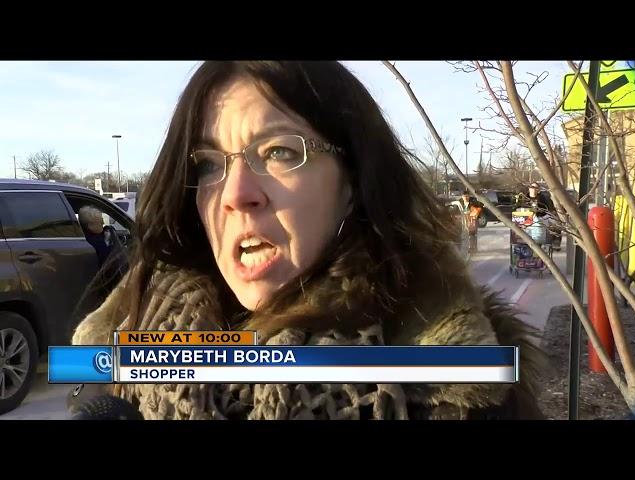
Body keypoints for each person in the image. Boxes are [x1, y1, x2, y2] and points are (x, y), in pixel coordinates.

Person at [71, 61, 546, 420]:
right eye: (208, 164)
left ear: (355, 180)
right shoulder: (129, 347)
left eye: (278, 152)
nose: (236, 195)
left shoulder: (449, 384)